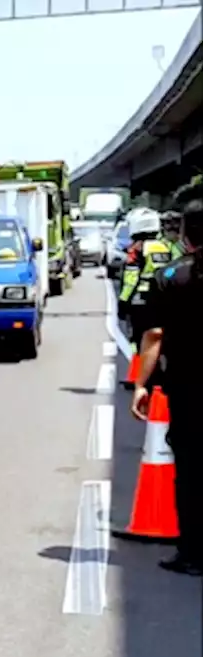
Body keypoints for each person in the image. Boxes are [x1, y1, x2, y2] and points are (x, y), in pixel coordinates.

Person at [132, 189, 204, 576]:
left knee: (192, 470)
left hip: (190, 388)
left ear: (186, 235)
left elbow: (154, 336)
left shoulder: (171, 278)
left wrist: (142, 384)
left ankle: (193, 553)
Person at [119, 209, 174, 353]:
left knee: (136, 341)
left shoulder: (136, 249)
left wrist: (123, 302)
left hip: (140, 301)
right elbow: (172, 270)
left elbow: (131, 279)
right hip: (162, 299)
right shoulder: (166, 246)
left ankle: (136, 373)